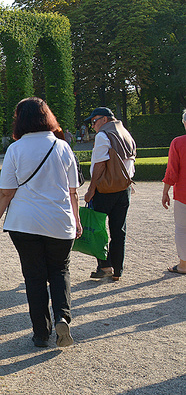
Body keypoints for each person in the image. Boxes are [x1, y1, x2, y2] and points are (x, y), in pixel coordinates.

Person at [0, 97, 81, 348]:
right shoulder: (62, 147)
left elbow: (6, 191)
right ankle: (62, 316)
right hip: (59, 221)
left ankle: (41, 333)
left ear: (20, 120)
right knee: (60, 271)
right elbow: (73, 190)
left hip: (24, 223)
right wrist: (77, 219)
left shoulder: (16, 150)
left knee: (34, 277)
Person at [84, 107, 136, 281]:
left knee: (98, 228)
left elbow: (99, 164)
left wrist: (91, 189)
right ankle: (117, 270)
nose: (93, 126)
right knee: (119, 230)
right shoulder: (125, 133)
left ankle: (105, 266)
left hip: (105, 189)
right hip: (124, 188)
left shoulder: (103, 135)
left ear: (104, 119)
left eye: (94, 121)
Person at [163, 109, 186, 274]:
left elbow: (172, 172)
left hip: (183, 194)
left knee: (182, 228)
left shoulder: (178, 143)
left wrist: (165, 192)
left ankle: (184, 264)